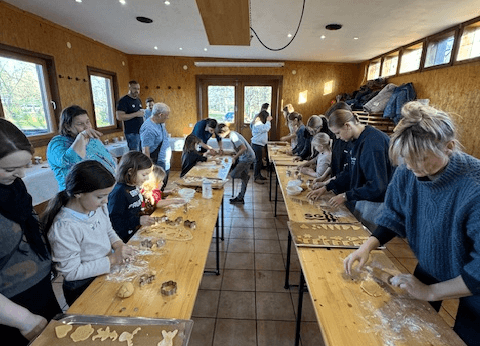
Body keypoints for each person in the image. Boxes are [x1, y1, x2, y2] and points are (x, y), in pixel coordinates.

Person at [343, 101, 480, 346]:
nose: (411, 166)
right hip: (433, 263)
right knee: (409, 327)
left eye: (421, 159)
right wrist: (367, 246)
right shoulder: (409, 169)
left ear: (448, 147)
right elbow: (394, 214)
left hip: (476, 279)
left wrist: (431, 292)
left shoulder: (474, 187)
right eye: (406, 159)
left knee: (466, 337)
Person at [0, 119, 61, 345]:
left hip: (40, 290)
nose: (22, 175)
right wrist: (24, 320)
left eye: (24, 166)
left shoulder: (13, 187)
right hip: (12, 313)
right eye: (9, 169)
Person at [43, 160, 134, 306]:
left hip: (103, 273)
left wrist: (118, 245)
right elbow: (71, 272)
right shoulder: (64, 227)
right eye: (100, 197)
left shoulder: (97, 207)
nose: (105, 201)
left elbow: (108, 230)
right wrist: (112, 260)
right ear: (78, 193)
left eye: (107, 196)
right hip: (81, 286)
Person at [307, 109, 394, 231]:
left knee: (366, 239)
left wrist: (345, 196)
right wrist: (326, 187)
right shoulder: (354, 141)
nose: (337, 137)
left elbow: (377, 186)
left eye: (337, 133)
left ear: (347, 126)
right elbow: (349, 172)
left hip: (377, 203)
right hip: (361, 197)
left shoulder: (373, 144)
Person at [47, 105, 117, 191]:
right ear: (67, 126)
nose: (86, 127)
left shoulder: (92, 139)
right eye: (80, 124)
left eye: (88, 122)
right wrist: (81, 137)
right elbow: (71, 161)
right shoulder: (57, 143)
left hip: (104, 191)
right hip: (77, 194)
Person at [107, 151, 156, 242]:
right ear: (130, 171)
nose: (148, 178)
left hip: (134, 233)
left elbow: (131, 209)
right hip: (123, 239)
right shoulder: (119, 192)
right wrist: (138, 221)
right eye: (144, 175)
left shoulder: (133, 186)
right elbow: (114, 222)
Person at [216, 124, 255, 204]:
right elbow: (238, 149)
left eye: (219, 134)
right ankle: (240, 198)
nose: (219, 136)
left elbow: (243, 148)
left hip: (247, 157)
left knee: (233, 175)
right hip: (248, 156)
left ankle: (245, 177)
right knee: (244, 179)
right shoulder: (232, 134)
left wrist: (235, 158)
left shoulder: (233, 136)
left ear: (222, 132)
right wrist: (226, 153)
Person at [140, 103, 172, 189]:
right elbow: (145, 150)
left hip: (164, 159)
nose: (167, 118)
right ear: (160, 115)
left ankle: (161, 198)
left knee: (163, 184)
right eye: (166, 116)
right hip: (158, 161)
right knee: (157, 187)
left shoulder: (159, 122)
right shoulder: (148, 129)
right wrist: (149, 169)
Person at [116, 80, 144, 151]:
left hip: (140, 132)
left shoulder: (138, 100)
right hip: (132, 133)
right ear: (129, 88)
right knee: (135, 155)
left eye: (138, 89)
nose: (137, 91)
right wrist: (136, 114)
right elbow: (119, 117)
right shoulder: (124, 100)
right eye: (134, 88)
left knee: (141, 154)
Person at [251, 109, 273, 183]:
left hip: (259, 144)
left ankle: (258, 175)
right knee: (257, 161)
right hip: (256, 145)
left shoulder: (260, 123)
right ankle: (256, 177)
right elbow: (266, 128)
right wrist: (268, 121)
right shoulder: (258, 124)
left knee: (259, 161)